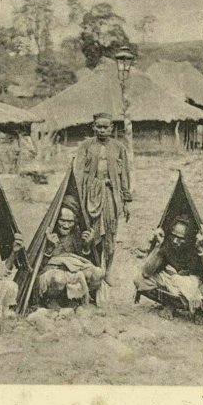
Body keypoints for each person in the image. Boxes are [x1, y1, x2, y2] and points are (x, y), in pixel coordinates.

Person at [73, 112, 131, 286]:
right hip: (91, 195)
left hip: (111, 195)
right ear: (93, 127)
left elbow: (125, 176)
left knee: (111, 235)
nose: (102, 130)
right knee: (93, 232)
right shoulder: (86, 146)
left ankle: (108, 271)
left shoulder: (119, 147)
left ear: (111, 128)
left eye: (106, 127)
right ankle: (95, 269)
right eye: (99, 126)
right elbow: (78, 173)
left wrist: (126, 201)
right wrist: (79, 196)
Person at [135, 215, 203, 324]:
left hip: (195, 289)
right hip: (171, 285)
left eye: (181, 238)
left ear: (189, 238)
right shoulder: (168, 244)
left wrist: (201, 249)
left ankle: (199, 311)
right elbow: (146, 272)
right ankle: (169, 304)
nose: (175, 240)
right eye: (173, 235)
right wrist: (158, 246)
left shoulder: (195, 247)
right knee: (139, 280)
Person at [37, 195, 106, 308]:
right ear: (56, 219)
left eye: (70, 221)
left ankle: (72, 299)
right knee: (58, 279)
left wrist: (86, 247)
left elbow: (80, 260)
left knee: (97, 273)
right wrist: (49, 248)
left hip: (72, 272)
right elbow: (38, 267)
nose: (66, 225)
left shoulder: (76, 234)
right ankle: (50, 300)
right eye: (62, 220)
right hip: (54, 274)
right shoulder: (49, 233)